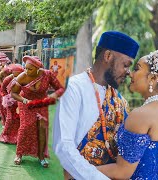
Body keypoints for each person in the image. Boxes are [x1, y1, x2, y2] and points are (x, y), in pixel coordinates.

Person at [96, 39, 158, 179]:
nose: (130, 74)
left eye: (137, 68)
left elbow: (121, 173)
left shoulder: (141, 116)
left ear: (153, 78)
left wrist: (78, 169)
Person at [52, 31, 139, 179]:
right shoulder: (74, 88)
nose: (129, 73)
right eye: (125, 65)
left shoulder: (120, 101)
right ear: (108, 56)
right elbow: (64, 147)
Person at [11, 56, 65, 168]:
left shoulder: (47, 74)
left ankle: (41, 156)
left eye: (29, 69)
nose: (26, 71)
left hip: (41, 103)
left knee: (42, 128)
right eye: (25, 68)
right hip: (26, 103)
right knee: (25, 126)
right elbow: (13, 93)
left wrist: (53, 95)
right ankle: (19, 153)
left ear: (38, 69)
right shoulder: (22, 77)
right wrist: (25, 100)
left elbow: (60, 88)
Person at [0, 64, 24, 144]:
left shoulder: (24, 78)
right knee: (10, 118)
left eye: (19, 73)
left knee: (19, 118)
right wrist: (7, 97)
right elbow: (3, 89)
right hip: (10, 101)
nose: (17, 75)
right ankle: (6, 135)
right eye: (16, 73)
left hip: (19, 100)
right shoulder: (8, 78)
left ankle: (17, 136)